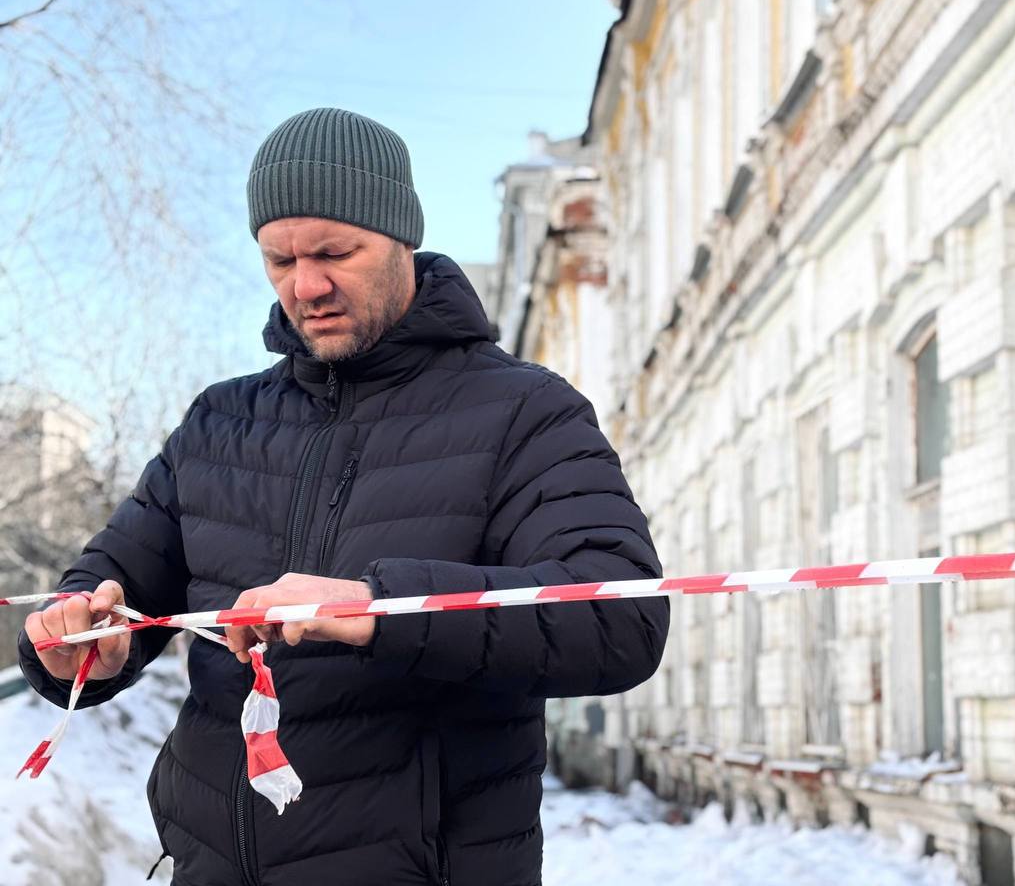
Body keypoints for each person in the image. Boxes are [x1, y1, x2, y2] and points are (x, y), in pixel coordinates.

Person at [18, 107, 670, 886]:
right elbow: (111, 581)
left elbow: (621, 618)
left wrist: (378, 608)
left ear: (402, 237)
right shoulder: (218, 422)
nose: (307, 285)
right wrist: (78, 644)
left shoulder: (524, 410)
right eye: (279, 259)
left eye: (335, 252)